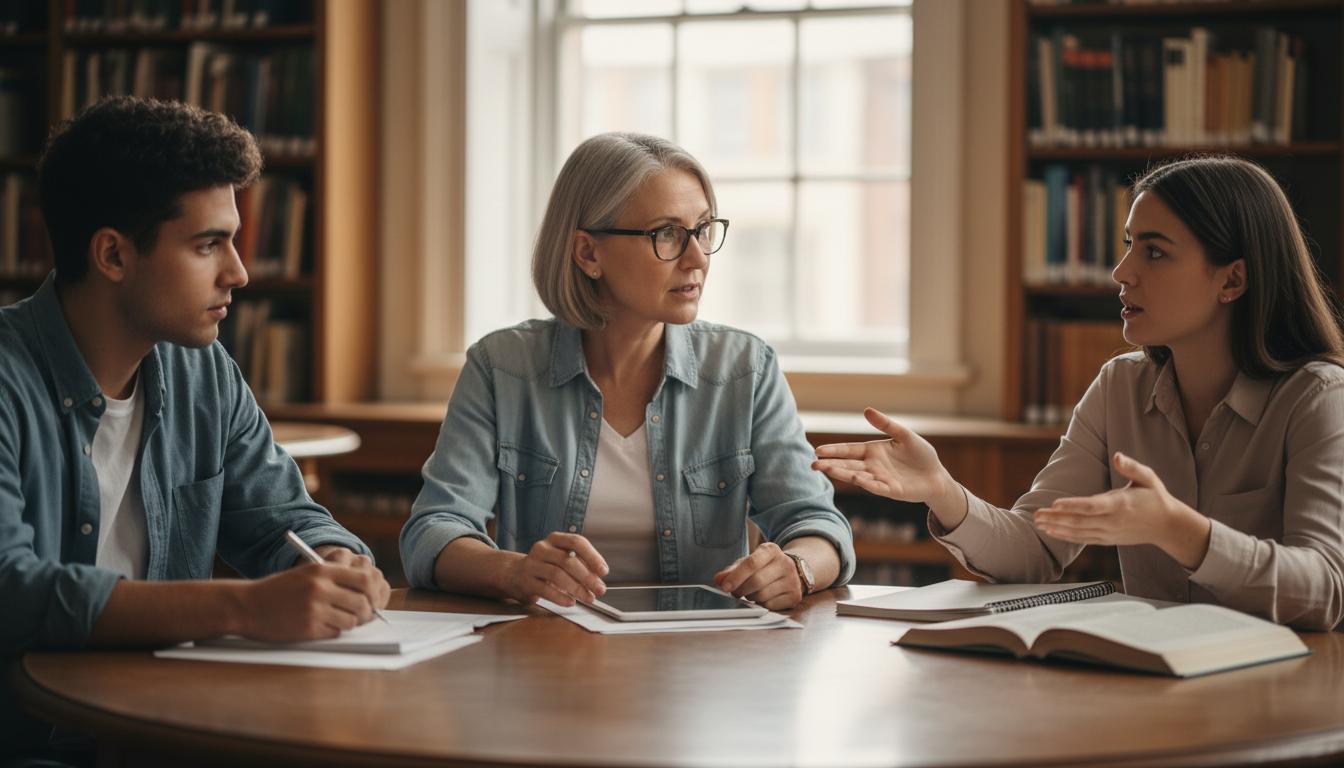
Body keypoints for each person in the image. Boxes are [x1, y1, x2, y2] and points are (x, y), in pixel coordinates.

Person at [0, 97, 390, 760]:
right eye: (208, 244)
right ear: (113, 254)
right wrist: (245, 608)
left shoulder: (203, 372)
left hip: (165, 730)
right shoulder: (9, 380)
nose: (239, 272)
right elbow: (12, 592)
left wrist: (336, 560)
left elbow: (284, 520)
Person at [814, 155, 1344, 631]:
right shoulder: (1119, 386)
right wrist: (941, 490)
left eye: (1155, 252)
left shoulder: (1318, 398)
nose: (1122, 273)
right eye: (1129, 245)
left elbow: (1324, 591)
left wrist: (1180, 530)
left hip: (1280, 689)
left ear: (1232, 281)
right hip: (1156, 681)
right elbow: (1036, 548)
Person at [401, 132, 854, 611]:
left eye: (703, 229)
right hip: (548, 645)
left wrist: (797, 568)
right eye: (666, 234)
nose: (697, 258)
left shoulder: (746, 369)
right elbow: (433, 531)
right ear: (588, 253)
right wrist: (513, 572)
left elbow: (819, 525)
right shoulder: (501, 368)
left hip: (703, 648)